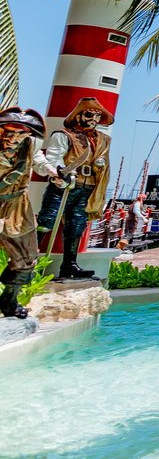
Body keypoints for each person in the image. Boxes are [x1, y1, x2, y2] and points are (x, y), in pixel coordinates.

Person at [37, 97, 113, 280]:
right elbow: (54, 157)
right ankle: (27, 263)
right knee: (47, 221)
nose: (93, 119)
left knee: (77, 225)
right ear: (78, 116)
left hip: (86, 187)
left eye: (97, 116)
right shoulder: (64, 136)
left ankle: (69, 265)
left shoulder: (102, 140)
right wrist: (58, 173)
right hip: (63, 185)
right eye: (89, 115)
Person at [0, 107, 62, 319]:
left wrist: (54, 172)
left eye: (20, 133)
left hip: (18, 207)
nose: (14, 138)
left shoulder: (31, 144)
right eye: (9, 131)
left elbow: (39, 162)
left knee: (26, 257)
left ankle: (9, 301)